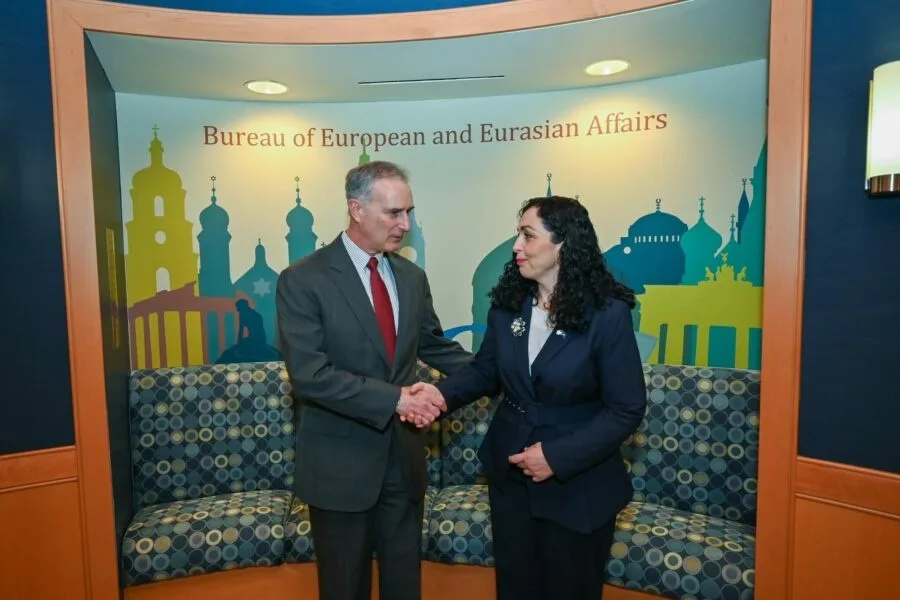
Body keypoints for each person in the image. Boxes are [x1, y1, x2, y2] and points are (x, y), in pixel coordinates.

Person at [409, 195, 647, 600]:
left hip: (577, 482)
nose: (517, 246)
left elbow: (626, 408)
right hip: (512, 475)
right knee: (516, 586)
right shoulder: (509, 307)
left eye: (528, 235)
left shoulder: (608, 314)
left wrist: (555, 457)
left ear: (563, 245)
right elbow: (486, 371)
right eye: (518, 235)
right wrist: (439, 395)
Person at [275, 160, 472, 600]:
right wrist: (397, 400)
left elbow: (435, 347)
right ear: (356, 209)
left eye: (409, 212)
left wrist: (502, 372)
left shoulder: (411, 277)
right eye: (394, 213)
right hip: (339, 467)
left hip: (403, 461)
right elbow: (310, 376)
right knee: (344, 587)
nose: (405, 225)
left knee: (405, 585)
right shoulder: (303, 279)